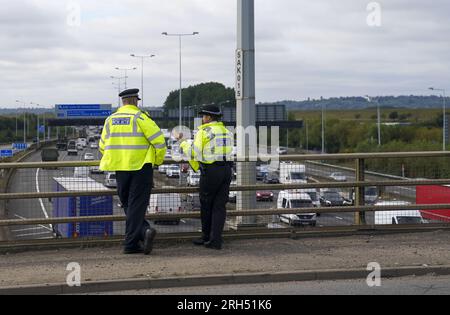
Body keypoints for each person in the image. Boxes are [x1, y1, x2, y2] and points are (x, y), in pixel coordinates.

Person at [99, 88, 167, 255]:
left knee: (128, 205)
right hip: (141, 168)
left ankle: (139, 237)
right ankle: (135, 240)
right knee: (136, 205)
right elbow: (159, 142)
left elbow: (102, 146)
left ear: (123, 101)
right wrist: (156, 161)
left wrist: (118, 156)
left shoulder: (110, 120)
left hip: (120, 169)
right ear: (135, 100)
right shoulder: (140, 117)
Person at [177, 105, 233, 250]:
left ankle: (206, 236)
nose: (202, 119)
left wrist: (183, 143)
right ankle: (216, 240)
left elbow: (194, 153)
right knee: (219, 206)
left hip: (211, 171)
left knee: (207, 205)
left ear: (208, 117)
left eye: (203, 116)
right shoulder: (227, 132)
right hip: (227, 170)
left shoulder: (204, 132)